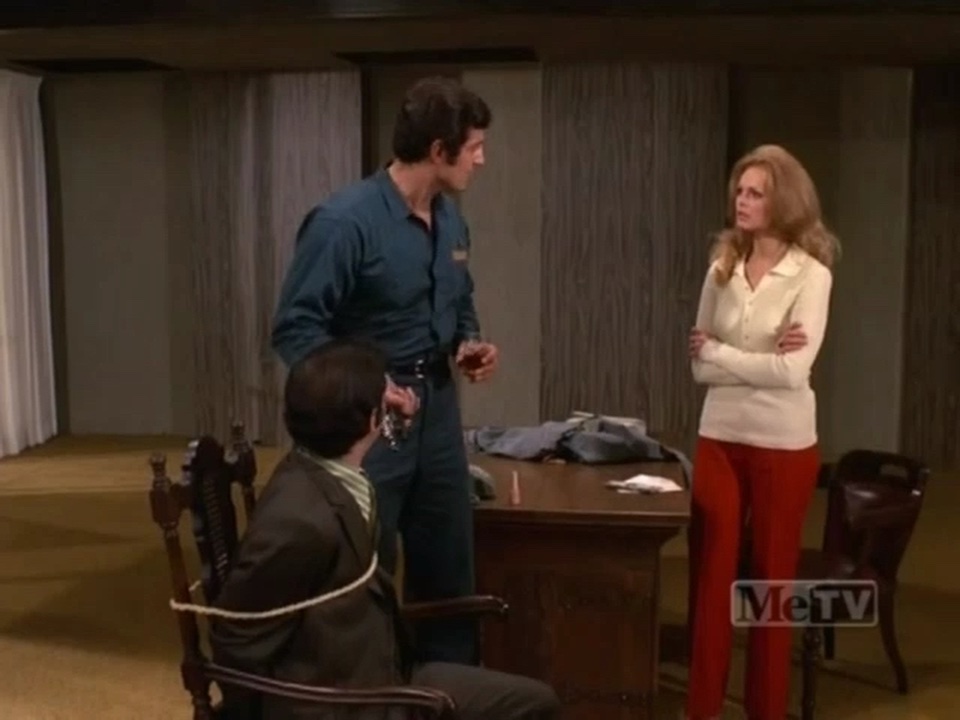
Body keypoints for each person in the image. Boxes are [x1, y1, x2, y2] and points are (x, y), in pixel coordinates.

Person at [270, 76, 500, 665]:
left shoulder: (451, 222)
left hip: (437, 414)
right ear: (439, 150)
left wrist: (469, 342)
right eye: (474, 147)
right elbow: (295, 328)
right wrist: (369, 391)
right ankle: (366, 690)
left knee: (449, 569)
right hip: (368, 423)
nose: (481, 159)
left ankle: (449, 691)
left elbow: (460, 298)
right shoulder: (344, 222)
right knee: (364, 570)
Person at [209, 338, 559, 720]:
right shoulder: (299, 523)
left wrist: (398, 421)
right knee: (533, 708)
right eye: (384, 394)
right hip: (346, 702)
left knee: (534, 700)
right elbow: (236, 640)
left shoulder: (324, 467)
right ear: (372, 420)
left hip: (378, 669)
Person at [685, 144, 839, 720]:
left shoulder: (812, 276)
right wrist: (753, 358)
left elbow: (793, 372)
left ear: (785, 203)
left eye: (755, 194)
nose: (742, 202)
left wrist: (722, 353)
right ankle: (702, 709)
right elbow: (698, 368)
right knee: (711, 581)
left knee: (770, 587)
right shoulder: (720, 268)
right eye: (740, 192)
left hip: (784, 445)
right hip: (719, 437)